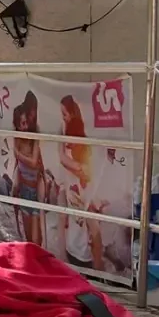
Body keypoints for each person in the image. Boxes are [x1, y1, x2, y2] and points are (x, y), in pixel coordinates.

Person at [60, 95, 105, 271]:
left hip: (82, 256)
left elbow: (95, 233)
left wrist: (98, 266)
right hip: (72, 251)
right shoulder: (72, 173)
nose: (68, 145)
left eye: (65, 114)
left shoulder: (82, 170)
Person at [11, 92, 47, 247]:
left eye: (26, 122)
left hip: (35, 188)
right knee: (28, 239)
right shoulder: (17, 138)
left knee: (37, 239)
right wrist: (15, 187)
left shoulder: (34, 135)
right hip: (25, 190)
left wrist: (18, 155)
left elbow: (34, 162)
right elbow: (18, 166)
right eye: (22, 124)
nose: (25, 126)